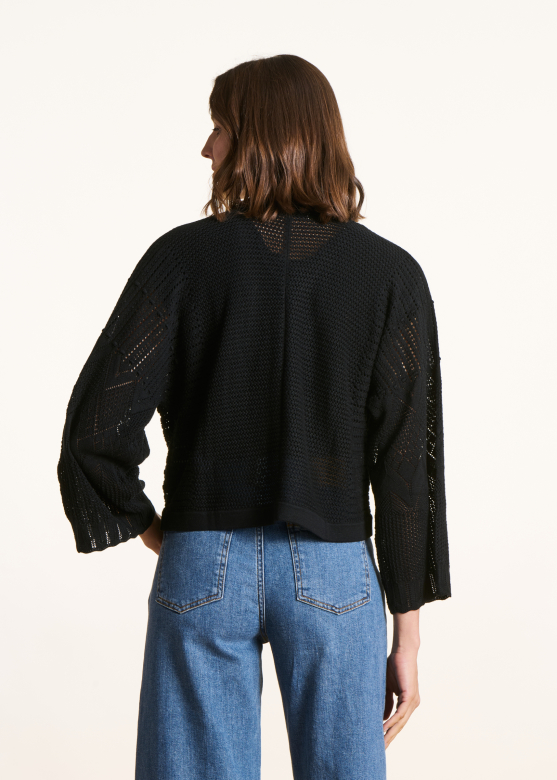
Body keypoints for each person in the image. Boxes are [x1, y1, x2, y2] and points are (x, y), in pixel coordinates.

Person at [57, 54, 451, 780]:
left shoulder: (181, 260)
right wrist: (407, 637)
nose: (206, 147)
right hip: (336, 572)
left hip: (202, 560)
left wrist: (167, 537)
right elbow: (406, 469)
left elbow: (95, 430)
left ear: (259, 138)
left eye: (220, 127)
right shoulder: (391, 275)